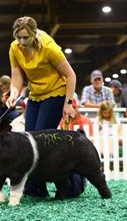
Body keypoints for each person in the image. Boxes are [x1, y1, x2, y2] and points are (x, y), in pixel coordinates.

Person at [6, 16, 77, 197]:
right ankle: (37, 188)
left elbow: (71, 75)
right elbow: (16, 76)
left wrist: (68, 104)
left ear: (34, 33)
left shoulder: (48, 47)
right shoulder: (15, 48)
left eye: (25, 37)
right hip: (35, 95)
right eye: (18, 37)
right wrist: (13, 92)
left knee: (40, 141)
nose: (21, 42)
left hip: (56, 93)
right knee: (28, 140)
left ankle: (67, 184)